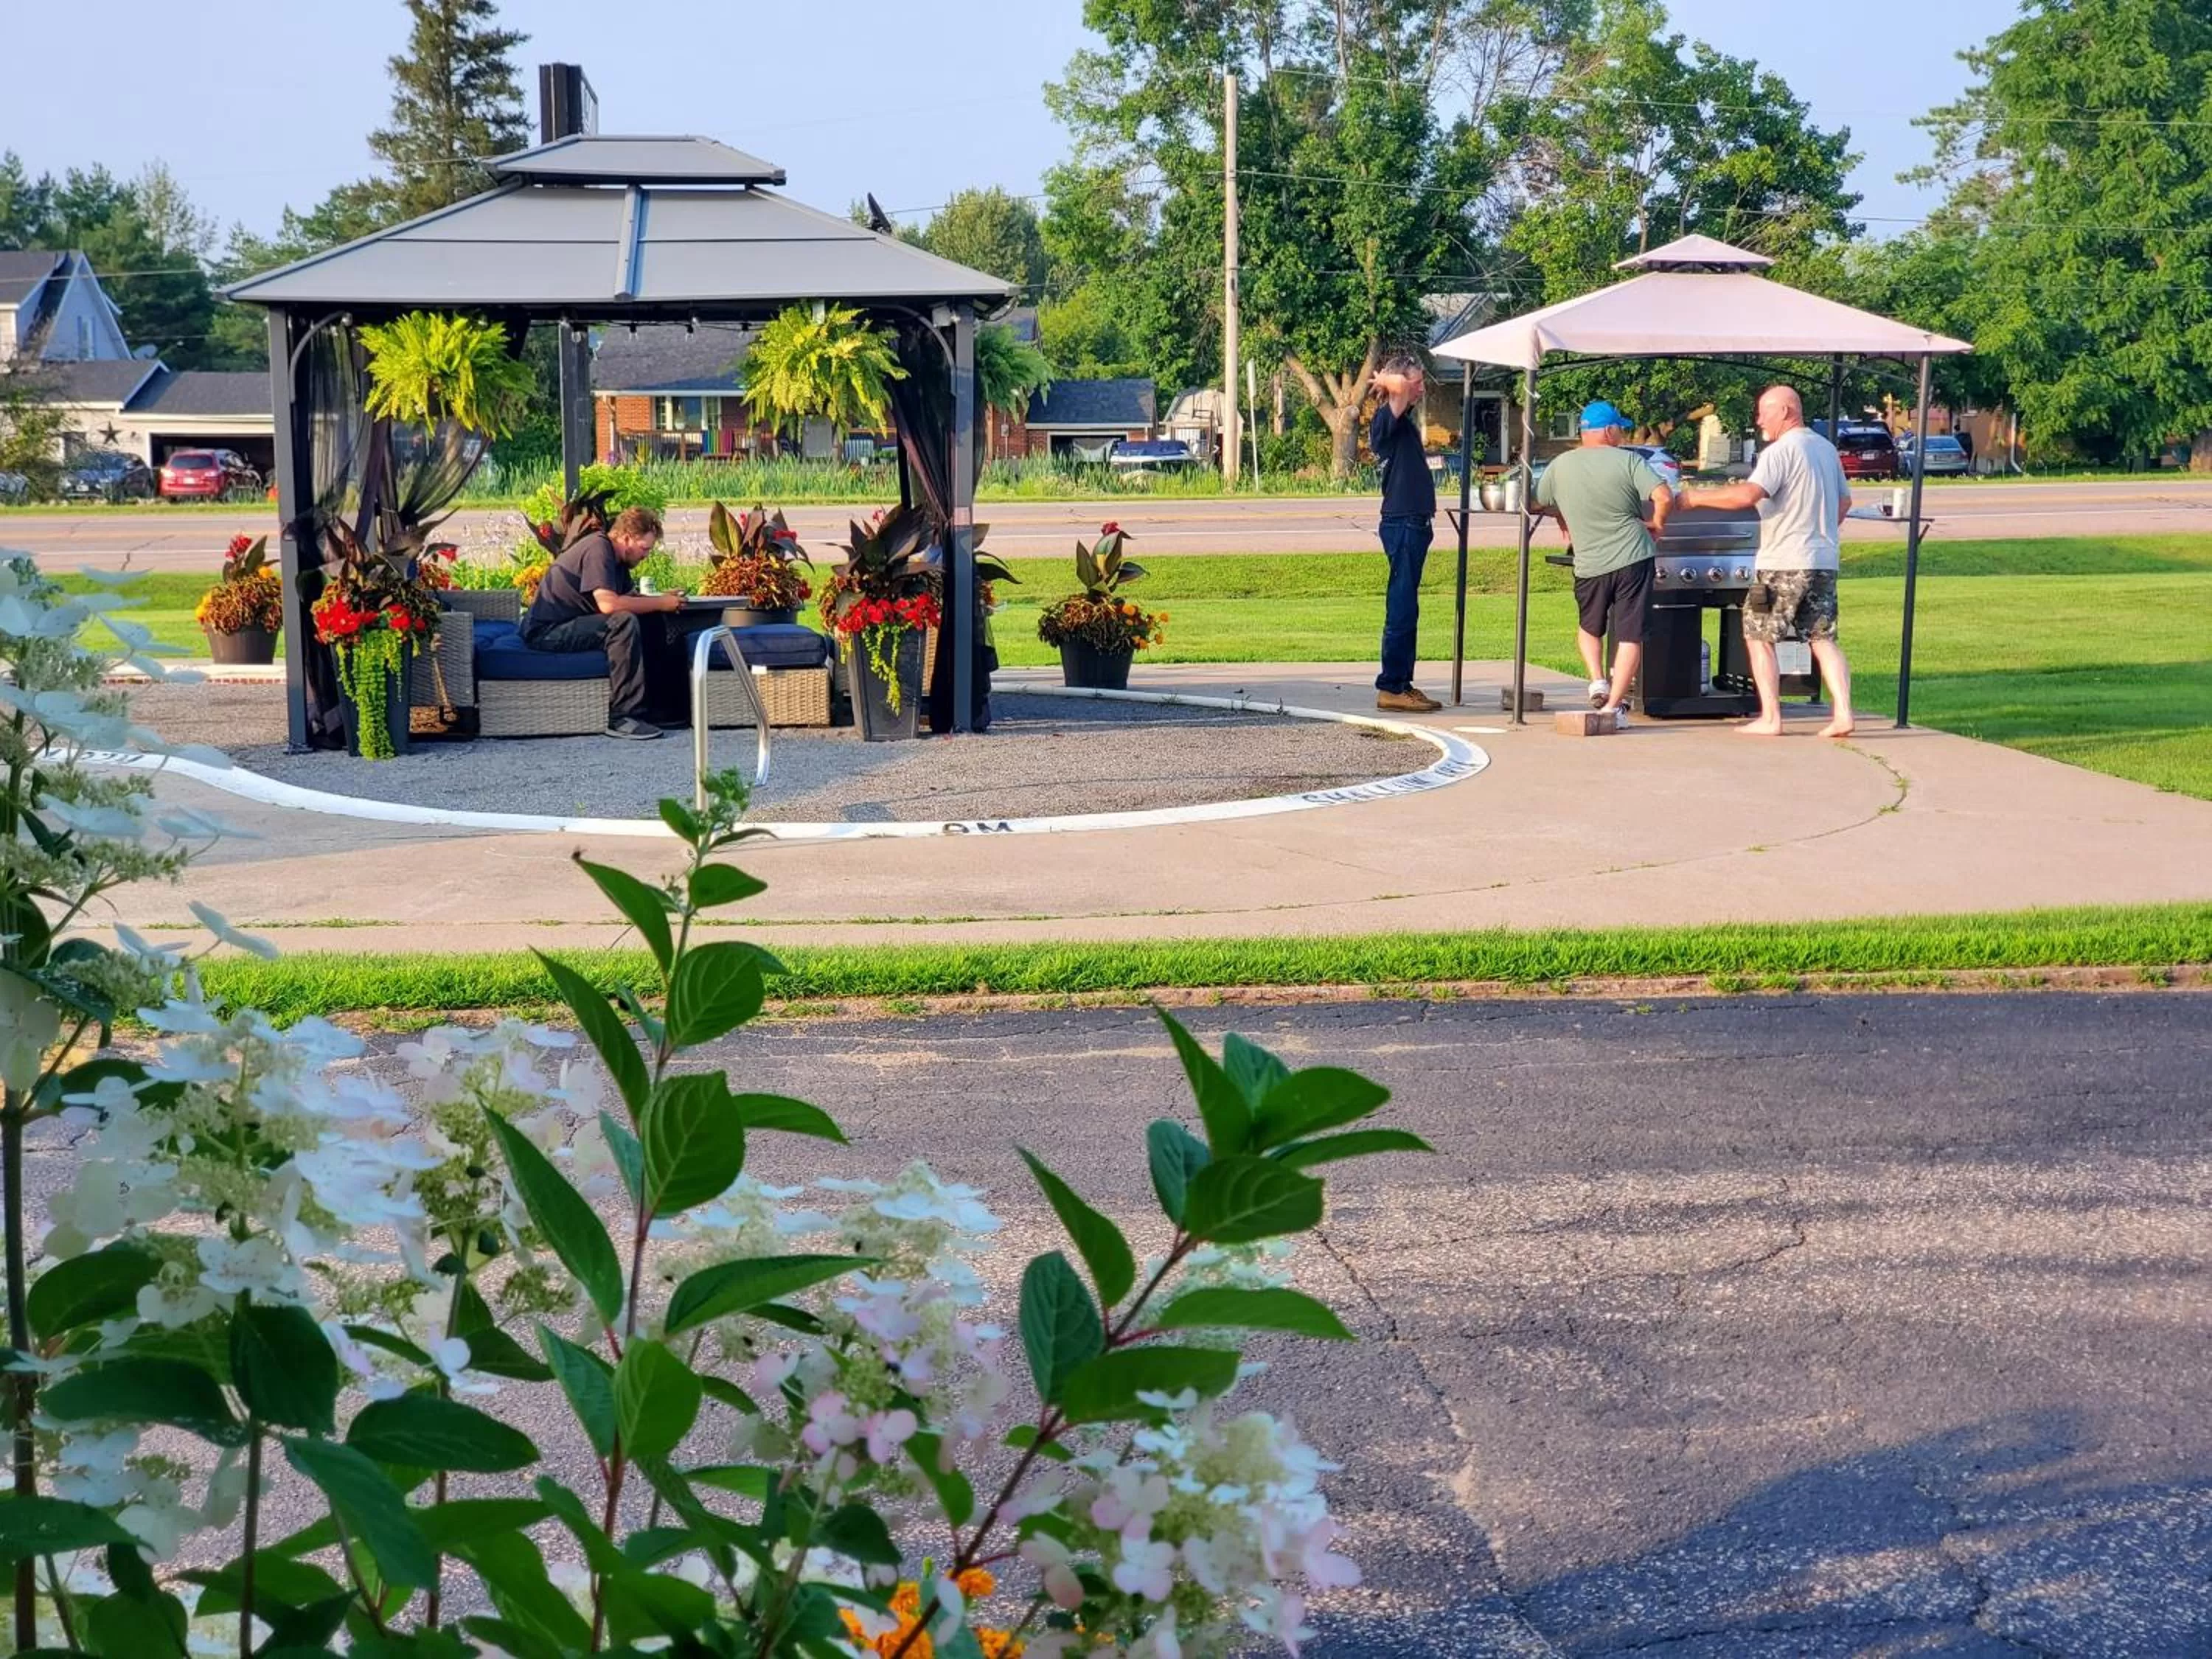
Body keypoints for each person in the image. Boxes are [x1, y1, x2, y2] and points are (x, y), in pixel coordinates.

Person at [1680, 385, 1854, 738]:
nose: (1759, 419)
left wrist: (1694, 498)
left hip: (1783, 562)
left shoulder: (1780, 452)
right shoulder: (1826, 449)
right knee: (1822, 638)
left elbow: (1748, 495)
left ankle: (1771, 718)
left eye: (1764, 412)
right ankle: (1844, 714)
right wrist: (1816, 530)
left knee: (1759, 636)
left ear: (1787, 411)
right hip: (1822, 559)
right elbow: (1844, 504)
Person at [1531, 400, 1672, 722]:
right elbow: (1664, 496)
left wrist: (1563, 517)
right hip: (1633, 557)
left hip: (1589, 560)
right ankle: (1614, 707)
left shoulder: (1560, 465)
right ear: (1609, 431)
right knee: (1629, 634)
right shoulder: (1628, 461)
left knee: (1589, 626)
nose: (1621, 434)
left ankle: (1597, 681)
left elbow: (1538, 503)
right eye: (1619, 428)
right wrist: (1659, 525)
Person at [521, 504, 684, 740]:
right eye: (644, 548)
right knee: (622, 623)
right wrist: (660, 603)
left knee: (650, 617)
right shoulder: (599, 549)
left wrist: (663, 600)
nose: (646, 555)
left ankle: (658, 707)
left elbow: (631, 599)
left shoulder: (620, 561)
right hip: (546, 631)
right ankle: (622, 717)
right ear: (626, 538)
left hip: (575, 622)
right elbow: (609, 605)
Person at [1369, 354, 1440, 713]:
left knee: (1407, 607)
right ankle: (1391, 686)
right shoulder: (1387, 419)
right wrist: (1387, 378)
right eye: (1417, 381)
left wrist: (1399, 381)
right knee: (1400, 606)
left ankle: (1403, 683)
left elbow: (1399, 386)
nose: (1422, 387)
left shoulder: (1401, 422)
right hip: (1403, 523)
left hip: (1412, 523)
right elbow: (1395, 386)